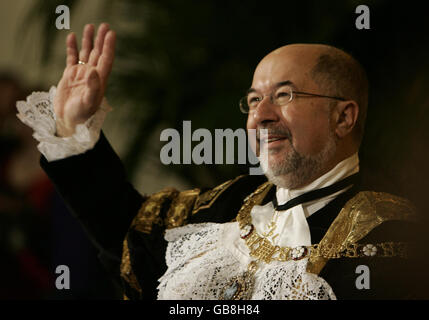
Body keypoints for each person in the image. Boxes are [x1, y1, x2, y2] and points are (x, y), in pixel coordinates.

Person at [16, 23, 420, 300]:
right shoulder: (228, 202)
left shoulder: (393, 240)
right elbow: (129, 240)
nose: (260, 115)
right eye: (254, 99)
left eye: (284, 95)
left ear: (343, 117)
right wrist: (75, 129)